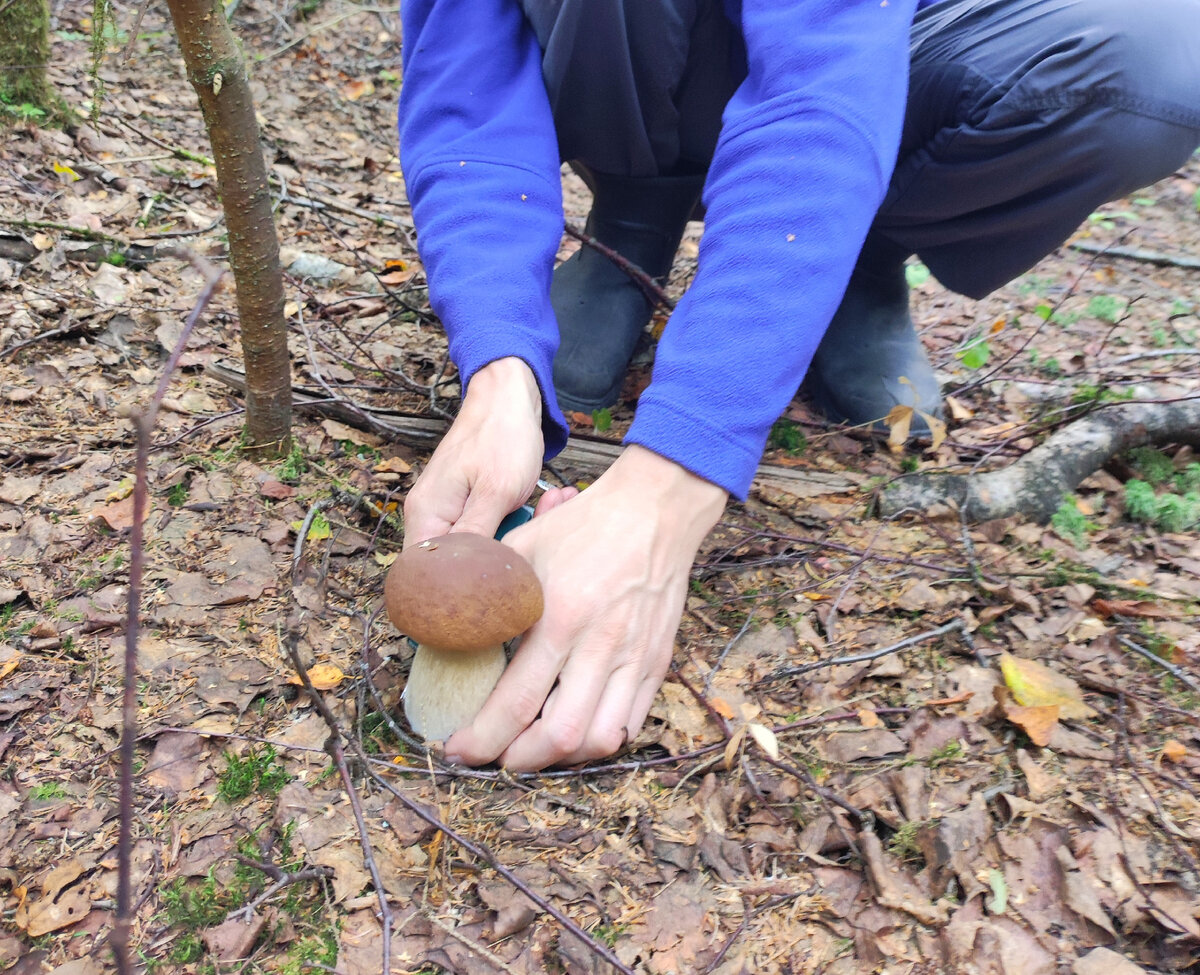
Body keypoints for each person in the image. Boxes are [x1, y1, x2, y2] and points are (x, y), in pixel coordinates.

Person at [396, 0, 1200, 772]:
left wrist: (669, 486)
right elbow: (467, 80)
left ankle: (860, 257)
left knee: (1163, 59)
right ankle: (632, 228)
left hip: (885, 53)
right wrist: (498, 361)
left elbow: (822, 80)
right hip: (625, 69)